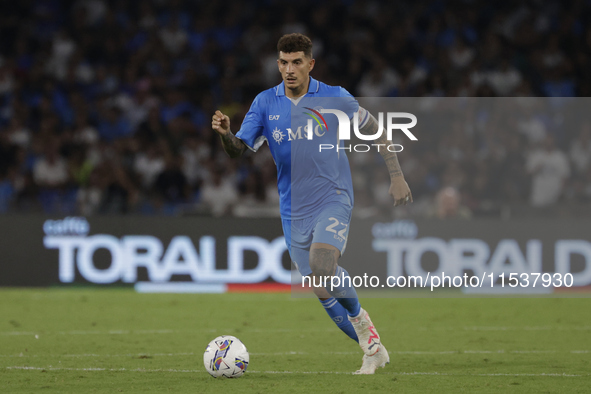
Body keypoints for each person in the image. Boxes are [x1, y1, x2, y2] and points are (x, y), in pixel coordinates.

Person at [211, 33, 412, 374]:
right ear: (278, 64)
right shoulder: (264, 103)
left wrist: (396, 175)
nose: (289, 69)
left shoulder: (335, 97)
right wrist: (226, 134)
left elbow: (376, 129)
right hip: (293, 209)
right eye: (284, 63)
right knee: (320, 285)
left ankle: (364, 326)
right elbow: (238, 150)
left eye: (297, 62)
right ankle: (373, 348)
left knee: (323, 265)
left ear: (310, 64)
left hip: (333, 196)